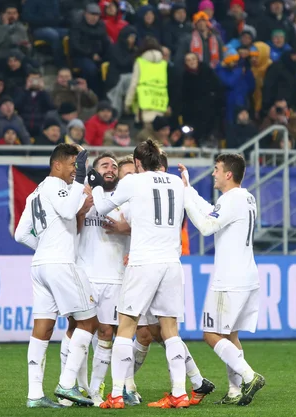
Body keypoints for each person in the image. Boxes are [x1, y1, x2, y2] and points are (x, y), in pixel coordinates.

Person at [87, 140, 188, 409]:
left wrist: (96, 185)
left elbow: (102, 207)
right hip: (171, 262)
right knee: (170, 329)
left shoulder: (135, 181)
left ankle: (117, 394)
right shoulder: (177, 183)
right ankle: (179, 392)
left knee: (126, 326)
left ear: (139, 162)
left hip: (144, 262)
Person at [126, 152, 215, 408]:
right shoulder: (172, 187)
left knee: (153, 331)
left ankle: (125, 388)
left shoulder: (149, 188)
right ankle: (194, 383)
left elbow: (131, 223)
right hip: (165, 265)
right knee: (155, 332)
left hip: (147, 266)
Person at [177, 153, 265, 406]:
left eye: (216, 169)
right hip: (247, 276)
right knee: (230, 335)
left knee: (211, 334)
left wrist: (184, 199)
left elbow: (206, 227)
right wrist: (189, 190)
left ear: (228, 174)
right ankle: (235, 391)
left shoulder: (231, 199)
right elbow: (211, 211)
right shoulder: (245, 197)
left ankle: (249, 376)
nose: (213, 173)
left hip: (229, 279)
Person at [14, 143, 98, 408]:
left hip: (40, 266)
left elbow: (20, 234)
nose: (76, 170)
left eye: (78, 165)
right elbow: (66, 210)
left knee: (43, 329)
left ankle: (35, 395)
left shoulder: (35, 192)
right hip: (60, 263)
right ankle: (67, 384)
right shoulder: (56, 185)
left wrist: (45, 247)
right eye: (73, 165)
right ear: (57, 164)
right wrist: (81, 180)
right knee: (88, 323)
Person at [74, 152, 127, 407]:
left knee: (107, 332)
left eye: (115, 166)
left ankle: (95, 390)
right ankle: (73, 386)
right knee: (77, 329)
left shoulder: (122, 198)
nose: (111, 169)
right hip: (85, 273)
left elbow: (135, 227)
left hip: (115, 276)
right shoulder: (84, 195)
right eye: (105, 165)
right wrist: (83, 207)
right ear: (95, 171)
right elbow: (70, 227)